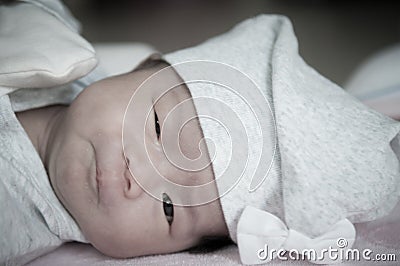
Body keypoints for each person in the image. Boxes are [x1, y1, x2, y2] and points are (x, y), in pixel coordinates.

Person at [2, 2, 400, 265]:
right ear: (145, 66)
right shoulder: (72, 56)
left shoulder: (14, 219)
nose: (135, 179)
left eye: (169, 208)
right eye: (158, 128)